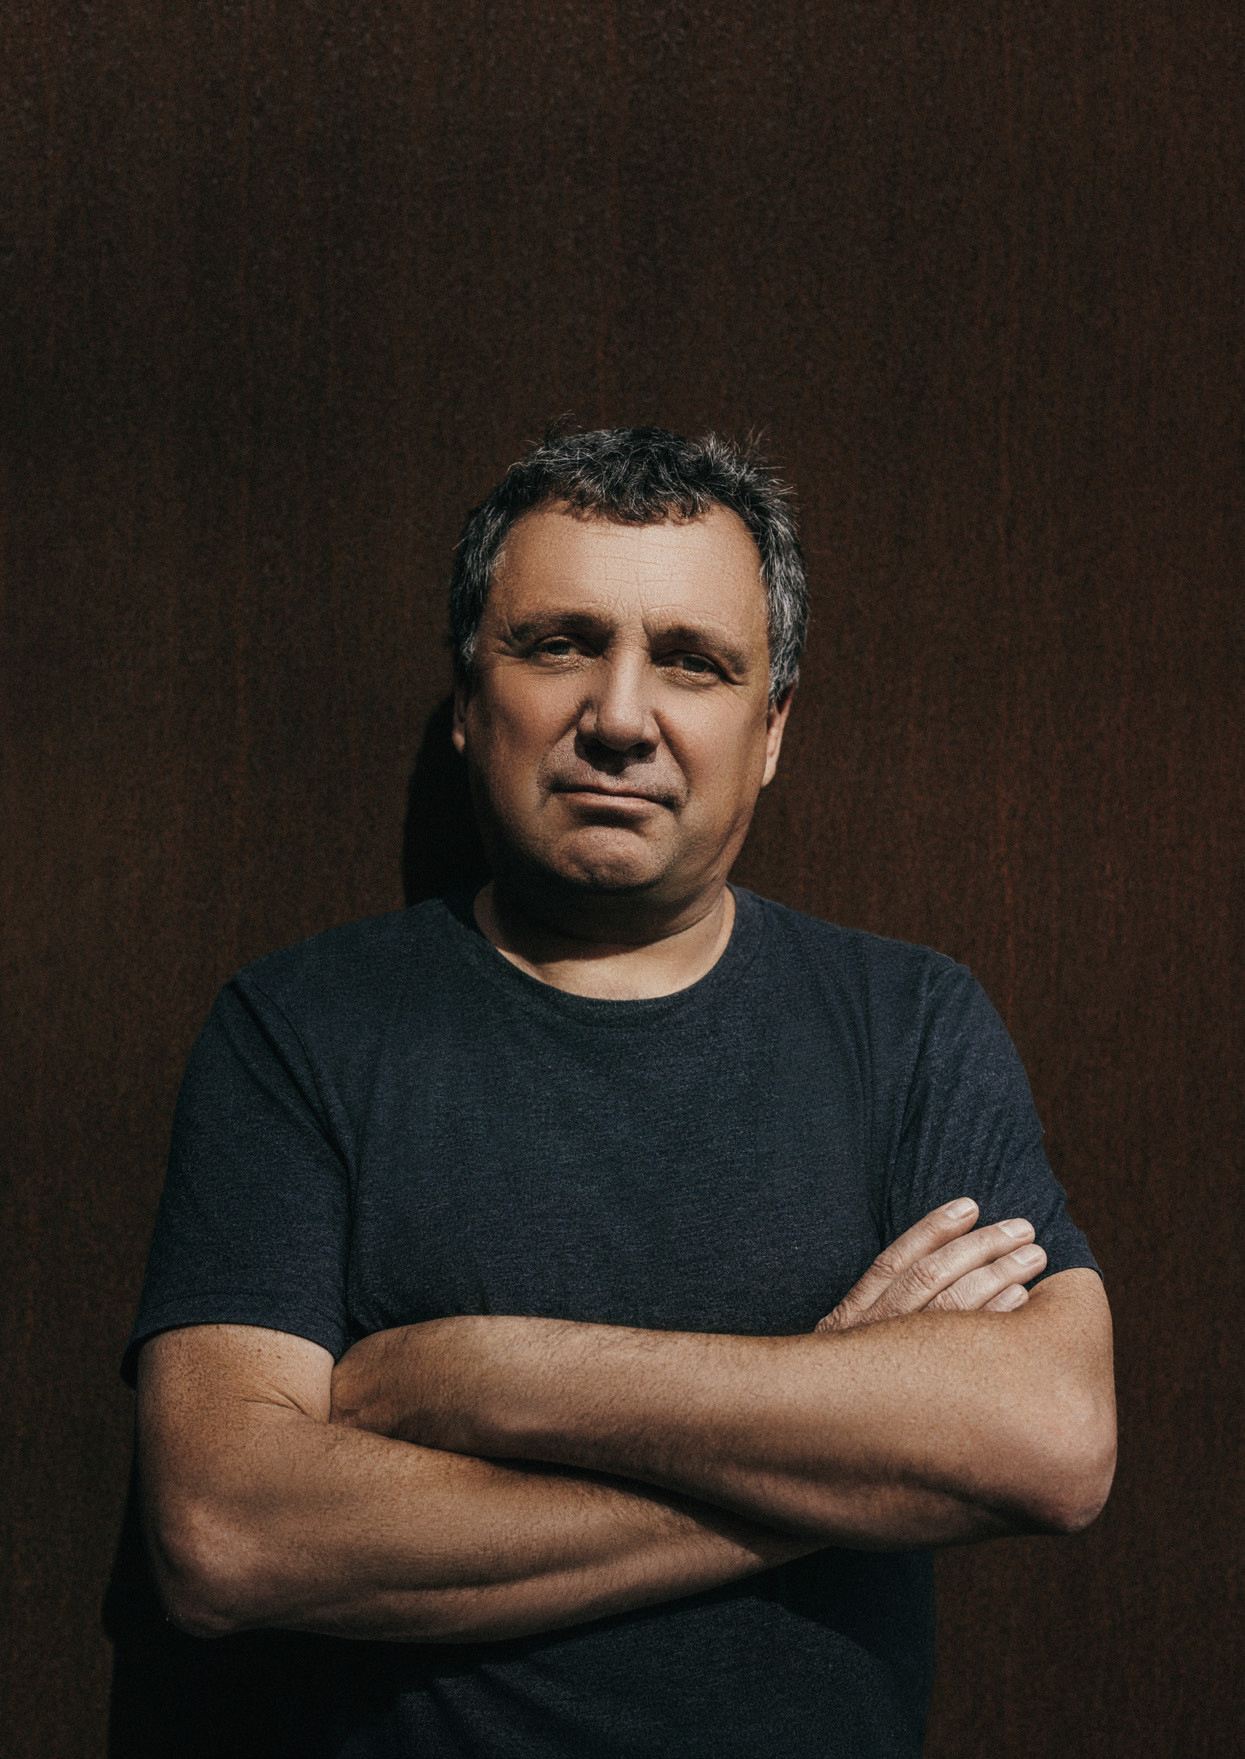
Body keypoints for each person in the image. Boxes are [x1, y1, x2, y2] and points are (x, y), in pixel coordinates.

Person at [127, 427, 1115, 1759]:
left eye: (693, 661)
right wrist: (849, 1443)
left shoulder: (907, 1024)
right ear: (468, 698)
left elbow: (1052, 1439)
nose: (621, 716)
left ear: (770, 731)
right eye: (559, 645)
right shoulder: (299, 1027)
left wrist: (489, 1377)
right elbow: (229, 1535)